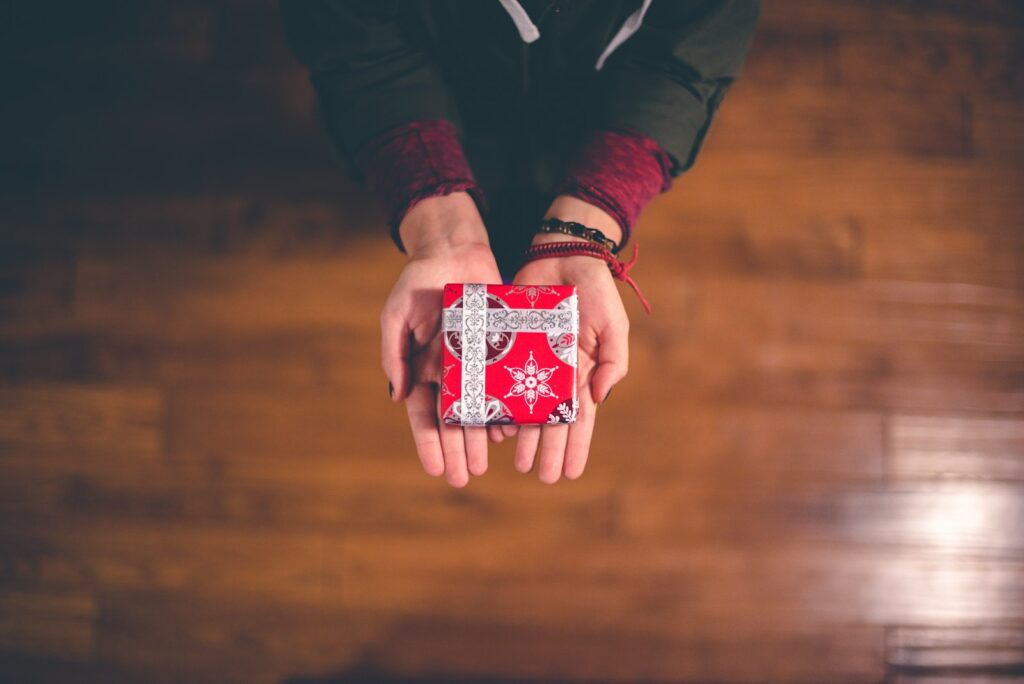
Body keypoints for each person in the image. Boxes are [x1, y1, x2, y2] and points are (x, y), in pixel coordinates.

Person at [281, 0, 759, 487]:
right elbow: (350, 38)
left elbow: (694, 52)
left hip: (590, 125)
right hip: (434, 111)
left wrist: (592, 212)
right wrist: (436, 219)